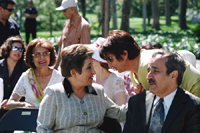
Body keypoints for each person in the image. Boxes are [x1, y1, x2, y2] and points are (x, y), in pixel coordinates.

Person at [36, 44, 127, 133]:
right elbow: (43, 129)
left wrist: (138, 97)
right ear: (73, 73)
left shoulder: (98, 91)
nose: (94, 72)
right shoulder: (54, 94)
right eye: (89, 67)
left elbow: (119, 114)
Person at [99, 30, 200, 97]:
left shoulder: (146, 65)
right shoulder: (134, 71)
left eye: (110, 59)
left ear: (125, 54)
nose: (110, 65)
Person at [123, 50, 200, 133]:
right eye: (148, 71)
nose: (148, 77)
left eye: (155, 71)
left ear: (173, 75)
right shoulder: (136, 102)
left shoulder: (193, 105)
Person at [5, 38, 63, 110]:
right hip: (31, 120)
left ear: (50, 56)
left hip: (55, 120)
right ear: (31, 58)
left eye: (45, 53)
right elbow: (9, 104)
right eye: (37, 54)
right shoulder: (26, 77)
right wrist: (23, 104)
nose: (42, 58)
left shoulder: (60, 77)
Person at [85, 37, 129, 131]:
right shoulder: (88, 79)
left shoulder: (116, 81)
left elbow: (120, 113)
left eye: (90, 57)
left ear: (97, 60)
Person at [54, 0, 91, 70]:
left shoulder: (84, 26)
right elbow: (61, 45)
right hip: (63, 67)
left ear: (72, 9)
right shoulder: (66, 23)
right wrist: (56, 66)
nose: (63, 14)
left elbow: (86, 52)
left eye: (65, 11)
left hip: (75, 69)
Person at [0, 36, 29, 119]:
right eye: (15, 48)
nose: (18, 51)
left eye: (21, 49)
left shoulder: (26, 68)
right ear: (8, 49)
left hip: (18, 109)